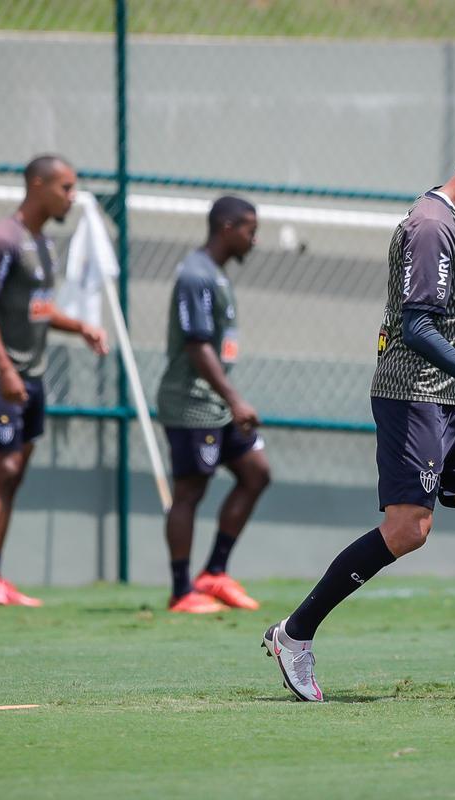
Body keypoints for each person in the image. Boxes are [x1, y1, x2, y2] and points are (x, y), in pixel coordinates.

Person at [263, 122, 455, 702]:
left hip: (449, 399)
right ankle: (294, 634)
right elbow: (414, 325)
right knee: (409, 530)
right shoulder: (434, 224)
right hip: (413, 395)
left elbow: (430, 294)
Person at [0, 154, 109, 606]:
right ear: (37, 183)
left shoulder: (43, 244)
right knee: (1, 469)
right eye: (65, 187)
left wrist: (79, 327)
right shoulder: (1, 240)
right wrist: (6, 367)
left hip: (33, 376)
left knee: (15, 474)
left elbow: (40, 309)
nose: (72, 196)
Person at [156, 196, 271, 614]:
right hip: (192, 404)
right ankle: (181, 591)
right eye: (249, 230)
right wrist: (235, 398)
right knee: (189, 490)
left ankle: (215, 573)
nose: (253, 240)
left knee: (256, 473)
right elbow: (197, 346)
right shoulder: (195, 275)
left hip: (217, 405)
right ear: (226, 227)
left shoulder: (216, 276)